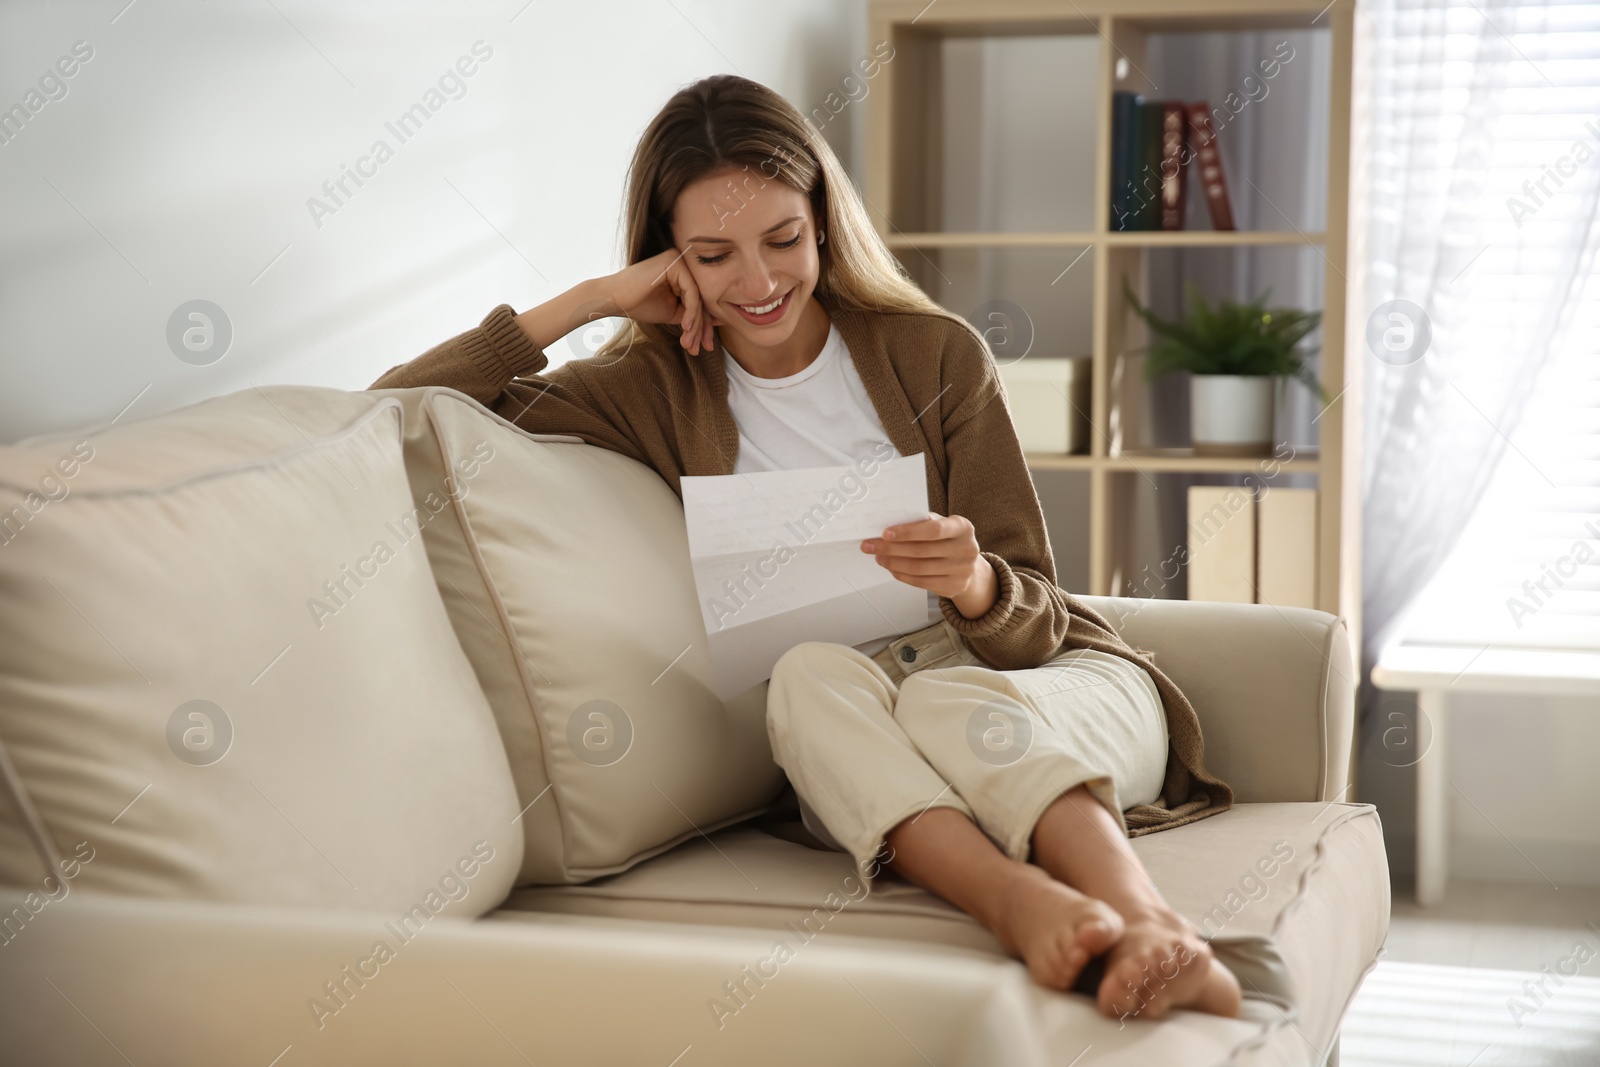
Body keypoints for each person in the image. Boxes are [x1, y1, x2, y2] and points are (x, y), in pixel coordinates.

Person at [369, 73, 1241, 1022]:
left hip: (1041, 686)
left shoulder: (937, 355)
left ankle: (1156, 926)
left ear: (823, 221)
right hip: (867, 720)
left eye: (783, 239)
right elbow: (398, 405)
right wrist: (588, 302)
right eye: (713, 255)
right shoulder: (651, 388)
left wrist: (981, 582)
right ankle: (1023, 903)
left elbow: (1039, 617)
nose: (758, 282)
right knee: (802, 678)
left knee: (949, 691)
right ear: (673, 262)